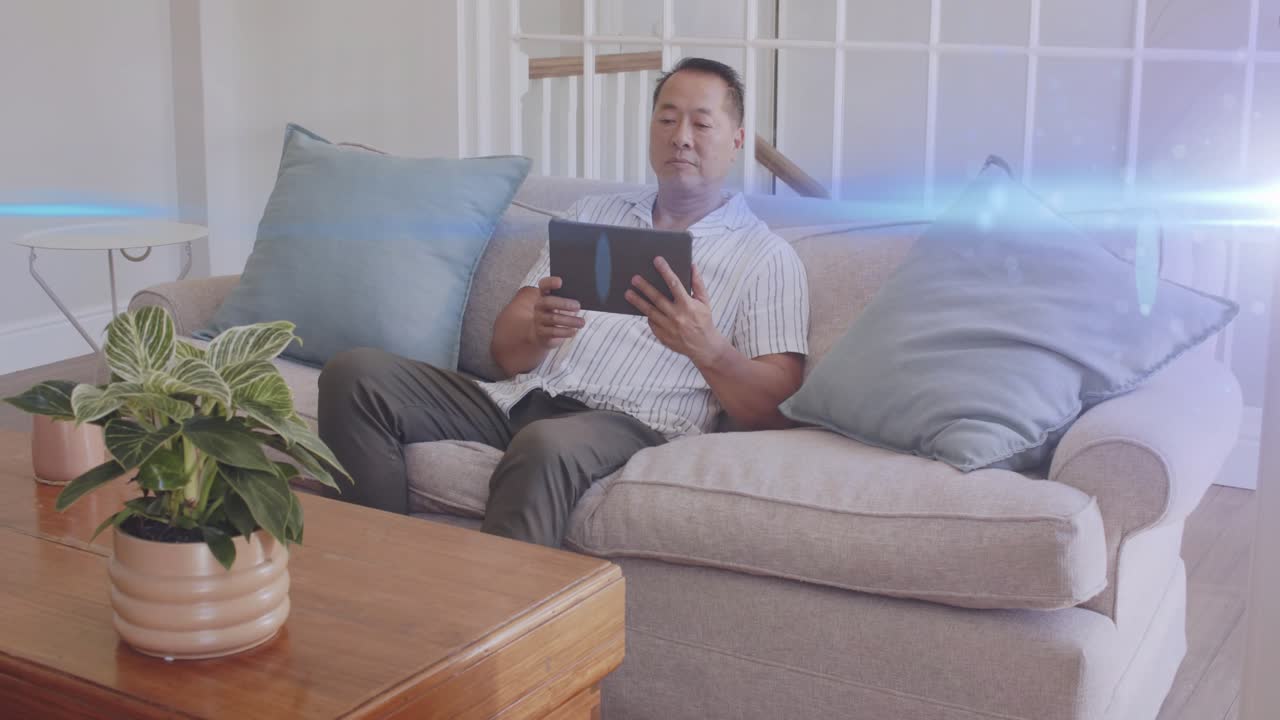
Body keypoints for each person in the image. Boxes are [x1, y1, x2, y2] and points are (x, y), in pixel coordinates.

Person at [318, 57, 810, 547]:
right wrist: (536, 330)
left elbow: (777, 408)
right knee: (355, 375)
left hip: (633, 424)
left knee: (545, 444)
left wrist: (708, 349)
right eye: (666, 119)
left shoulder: (766, 256)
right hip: (522, 397)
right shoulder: (592, 215)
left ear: (738, 140)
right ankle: (375, 572)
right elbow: (506, 355)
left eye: (701, 123)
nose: (681, 136)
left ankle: (501, 621)